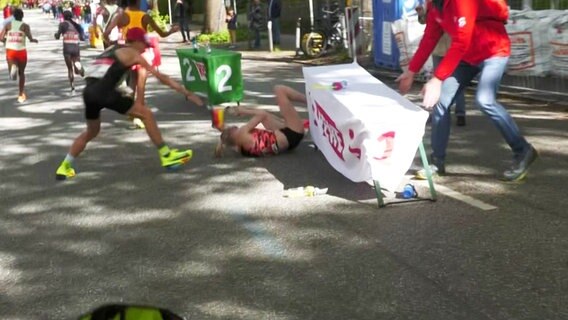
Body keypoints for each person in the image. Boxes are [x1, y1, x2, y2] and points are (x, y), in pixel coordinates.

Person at [396, 0, 538, 182]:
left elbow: (462, 39)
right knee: (441, 103)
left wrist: (437, 79)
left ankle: (523, 151)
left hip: (493, 51)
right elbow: (430, 38)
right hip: (468, 56)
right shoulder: (435, 7)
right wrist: (411, 71)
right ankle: (437, 164)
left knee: (485, 100)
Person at [55, 28, 204, 180]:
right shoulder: (133, 53)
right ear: (136, 42)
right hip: (104, 92)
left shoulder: (111, 48)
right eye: (144, 44)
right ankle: (167, 155)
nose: (146, 48)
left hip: (89, 92)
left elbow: (99, 73)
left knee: (92, 131)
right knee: (146, 114)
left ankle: (65, 166)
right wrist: (187, 93)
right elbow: (161, 77)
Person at [104, 0, 179, 129]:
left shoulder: (120, 16)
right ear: (138, 2)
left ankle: (130, 110)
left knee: (132, 82)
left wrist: (111, 43)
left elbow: (106, 33)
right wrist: (172, 31)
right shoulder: (145, 16)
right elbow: (162, 33)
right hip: (141, 53)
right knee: (141, 87)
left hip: (127, 52)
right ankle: (138, 116)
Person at [216, 85, 306, 158]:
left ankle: (290, 119)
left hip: (287, 143)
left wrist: (222, 141)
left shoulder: (240, 148)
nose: (234, 126)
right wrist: (244, 111)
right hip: (292, 134)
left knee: (265, 118)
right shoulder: (242, 132)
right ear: (231, 132)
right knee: (279, 89)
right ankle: (310, 100)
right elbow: (261, 114)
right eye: (231, 127)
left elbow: (264, 117)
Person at [416, 2, 466, 126]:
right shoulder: (430, 3)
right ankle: (441, 113)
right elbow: (427, 22)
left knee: (456, 81)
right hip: (438, 48)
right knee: (438, 83)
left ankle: (460, 113)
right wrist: (421, 14)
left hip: (453, 49)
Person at [0, 8, 39, 103]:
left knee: (12, 72)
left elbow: (1, 38)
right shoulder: (25, 26)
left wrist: (7, 40)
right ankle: (21, 94)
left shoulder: (8, 25)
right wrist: (33, 40)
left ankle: (12, 69)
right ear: (22, 16)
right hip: (21, 51)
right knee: (22, 73)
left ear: (13, 16)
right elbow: (30, 38)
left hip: (11, 51)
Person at [54, 10, 85, 94]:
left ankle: (73, 88)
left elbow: (57, 36)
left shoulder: (62, 24)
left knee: (70, 69)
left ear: (63, 17)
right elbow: (82, 38)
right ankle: (78, 65)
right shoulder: (76, 25)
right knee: (76, 69)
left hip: (67, 48)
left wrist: (56, 35)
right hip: (75, 47)